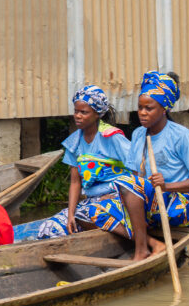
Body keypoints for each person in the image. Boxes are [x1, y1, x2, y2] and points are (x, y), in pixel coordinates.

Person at [114, 71, 189, 261]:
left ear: (163, 109)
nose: (142, 113)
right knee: (91, 211)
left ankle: (141, 250)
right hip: (151, 204)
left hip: (181, 205)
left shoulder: (181, 136)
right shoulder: (138, 135)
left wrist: (167, 186)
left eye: (148, 108)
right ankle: (152, 243)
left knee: (129, 184)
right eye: (140, 108)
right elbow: (134, 179)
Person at [33, 85, 132, 239]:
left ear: (97, 114)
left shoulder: (112, 137)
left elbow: (138, 167)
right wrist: (71, 214)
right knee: (49, 228)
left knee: (87, 214)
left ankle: (134, 238)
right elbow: (75, 182)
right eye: (76, 111)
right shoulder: (74, 143)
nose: (77, 116)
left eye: (84, 112)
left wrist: (119, 194)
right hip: (92, 202)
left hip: (120, 199)